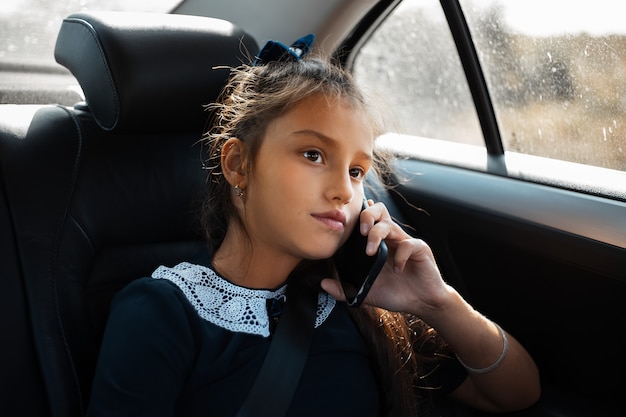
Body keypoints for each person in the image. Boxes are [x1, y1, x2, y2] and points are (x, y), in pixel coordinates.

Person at [85, 35, 540, 417]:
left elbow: (517, 393)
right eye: (313, 155)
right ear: (239, 164)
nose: (344, 190)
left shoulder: (360, 304)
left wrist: (437, 303)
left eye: (358, 171)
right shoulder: (161, 314)